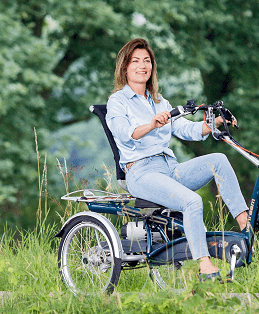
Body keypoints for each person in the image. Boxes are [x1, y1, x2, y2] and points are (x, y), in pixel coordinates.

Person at [106, 38, 249, 280]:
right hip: (141, 173)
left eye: (147, 61)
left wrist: (214, 123)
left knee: (219, 160)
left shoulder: (159, 101)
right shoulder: (117, 101)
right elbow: (125, 133)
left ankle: (246, 229)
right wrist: (152, 123)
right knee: (192, 201)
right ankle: (204, 266)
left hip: (169, 168)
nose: (143, 66)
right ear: (125, 68)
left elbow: (189, 130)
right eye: (136, 61)